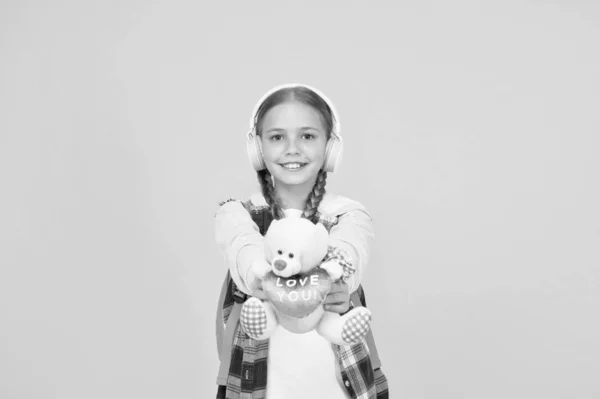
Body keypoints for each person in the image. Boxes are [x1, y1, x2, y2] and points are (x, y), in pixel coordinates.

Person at [214, 83, 389, 399]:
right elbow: (243, 247)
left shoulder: (347, 214)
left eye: (307, 136)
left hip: (338, 387)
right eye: (277, 137)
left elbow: (351, 249)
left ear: (330, 148)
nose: (292, 149)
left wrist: (338, 278)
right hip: (260, 388)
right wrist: (259, 275)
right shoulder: (238, 215)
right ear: (258, 148)